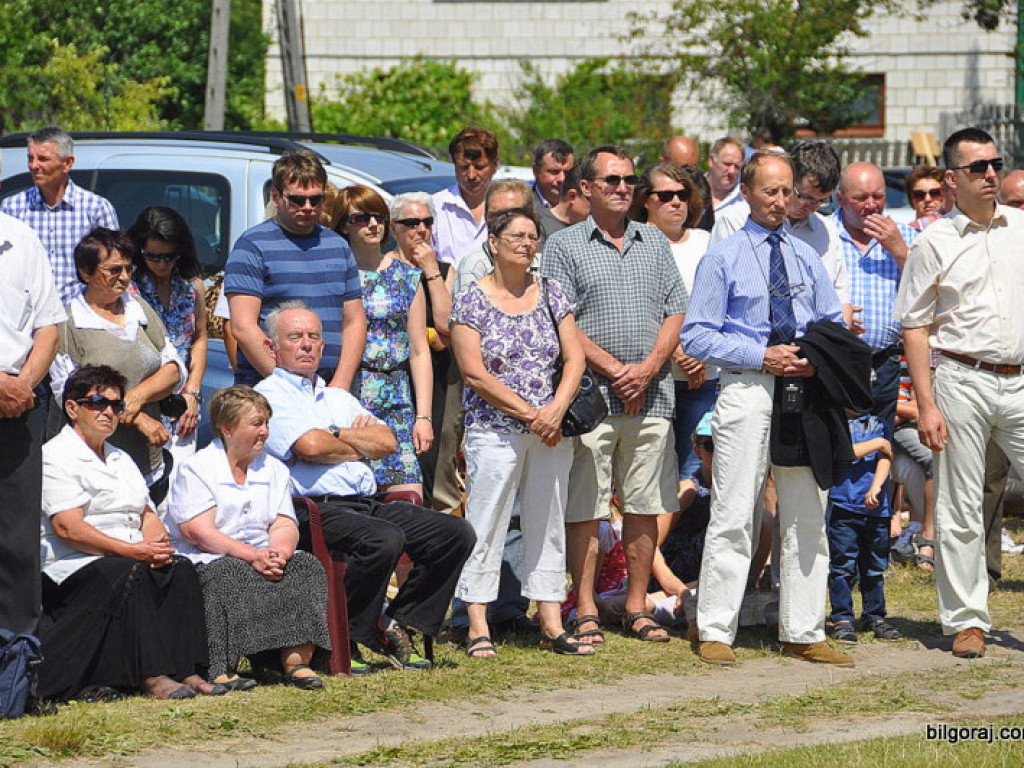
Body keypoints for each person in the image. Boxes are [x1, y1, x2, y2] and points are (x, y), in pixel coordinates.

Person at [681, 151, 854, 668]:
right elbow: (697, 334)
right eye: (770, 192)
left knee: (806, 509)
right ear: (749, 194)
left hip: (802, 393)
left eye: (787, 192)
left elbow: (829, 323)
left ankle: (804, 628)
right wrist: (760, 354)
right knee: (736, 508)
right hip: (747, 388)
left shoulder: (807, 257)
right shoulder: (724, 255)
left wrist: (813, 358)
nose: (780, 201)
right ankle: (715, 627)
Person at [254, 304, 476, 670]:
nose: (306, 345)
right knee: (383, 538)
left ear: (323, 347)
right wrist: (356, 444)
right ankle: (353, 631)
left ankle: (400, 620)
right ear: (272, 347)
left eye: (313, 337)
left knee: (453, 532)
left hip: (365, 502)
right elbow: (309, 447)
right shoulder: (269, 396)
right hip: (311, 509)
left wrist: (337, 435)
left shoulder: (337, 397)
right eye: (295, 337)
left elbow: (387, 441)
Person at [543, 145, 686, 645]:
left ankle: (634, 605)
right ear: (585, 188)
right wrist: (616, 371)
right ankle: (583, 608)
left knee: (646, 505)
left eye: (628, 180)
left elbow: (675, 311)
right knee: (588, 506)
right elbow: (562, 323)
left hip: (652, 396)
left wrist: (646, 371)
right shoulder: (562, 247)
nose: (623, 187)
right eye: (611, 180)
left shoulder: (655, 242)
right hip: (591, 400)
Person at [895, 127, 1024, 659]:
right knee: (961, 504)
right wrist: (926, 404)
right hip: (961, 378)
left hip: (1018, 376)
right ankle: (967, 620)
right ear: (953, 179)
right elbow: (915, 326)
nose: (991, 174)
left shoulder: (1020, 227)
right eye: (978, 168)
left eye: (995, 164)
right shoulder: (933, 242)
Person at [451, 208, 591, 658]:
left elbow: (575, 359)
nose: (527, 244)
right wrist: (531, 414)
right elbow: (473, 374)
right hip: (494, 429)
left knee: (547, 520)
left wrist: (555, 409)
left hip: (550, 430)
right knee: (486, 522)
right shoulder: (471, 299)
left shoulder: (552, 292)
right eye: (516, 236)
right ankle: (476, 623)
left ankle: (551, 620)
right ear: (493, 242)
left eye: (533, 237)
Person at [37, 365, 220, 702]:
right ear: (72, 408)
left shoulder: (120, 457)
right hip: (74, 563)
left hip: (126, 552)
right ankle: (152, 676)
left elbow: (146, 512)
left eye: (116, 405)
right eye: (97, 403)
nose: (108, 412)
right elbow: (69, 528)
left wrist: (156, 543)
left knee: (178, 569)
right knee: (132, 570)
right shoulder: (56, 456)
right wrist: (132, 551)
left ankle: (188, 669)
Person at [168, 386, 331, 691]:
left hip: (260, 554)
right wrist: (251, 556)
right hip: (211, 556)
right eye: (256, 424)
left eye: (267, 423)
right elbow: (198, 531)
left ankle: (296, 663)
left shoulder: (274, 469)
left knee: (305, 566)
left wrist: (278, 553)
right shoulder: (197, 468)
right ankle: (219, 668)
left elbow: (284, 522)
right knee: (227, 572)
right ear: (227, 428)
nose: (265, 432)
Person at [50, 228, 185, 493]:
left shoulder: (138, 308)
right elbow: (71, 397)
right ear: (86, 272)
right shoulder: (69, 326)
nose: (124, 277)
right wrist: (135, 417)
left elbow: (173, 369)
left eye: (128, 268)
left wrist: (136, 398)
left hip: (150, 461)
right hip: (95, 469)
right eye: (113, 270)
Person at [224, 149, 367, 389]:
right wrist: (290, 386)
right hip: (270, 391)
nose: (308, 206)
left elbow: (354, 321)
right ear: (276, 197)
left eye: (316, 199)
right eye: (298, 200)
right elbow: (243, 326)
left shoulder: (338, 246)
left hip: (331, 389)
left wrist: (340, 384)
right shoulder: (251, 246)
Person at [328, 185, 433, 498]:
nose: (373, 224)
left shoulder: (406, 276)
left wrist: (423, 417)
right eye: (361, 218)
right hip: (351, 394)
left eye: (379, 216)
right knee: (353, 496)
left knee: (408, 497)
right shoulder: (335, 276)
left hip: (397, 397)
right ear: (344, 226)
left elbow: (418, 350)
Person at [0, 162, 65, 636]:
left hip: (21, 401)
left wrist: (23, 383)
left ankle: (18, 659)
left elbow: (49, 325)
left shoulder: (21, 238)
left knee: (19, 541)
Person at [629, 162, 713, 480]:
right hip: (651, 380)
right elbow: (635, 309)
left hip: (703, 378)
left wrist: (698, 353)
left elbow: (720, 305)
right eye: (665, 195)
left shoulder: (706, 241)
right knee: (650, 473)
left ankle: (684, 533)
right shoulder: (632, 242)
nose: (676, 202)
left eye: (682, 194)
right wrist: (675, 349)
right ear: (645, 200)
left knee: (694, 471)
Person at [833, 162, 917, 429]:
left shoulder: (906, 236)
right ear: (840, 199)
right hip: (834, 363)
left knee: (880, 443)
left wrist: (899, 251)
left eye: (878, 196)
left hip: (884, 364)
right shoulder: (823, 234)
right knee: (834, 449)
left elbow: (928, 289)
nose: (871, 205)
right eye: (860, 198)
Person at [1, 127, 119, 305]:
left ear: (67, 163)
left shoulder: (96, 209)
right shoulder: (13, 207)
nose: (34, 165)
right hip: (29, 316)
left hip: (82, 316)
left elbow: (114, 266)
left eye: (43, 159)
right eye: (30, 158)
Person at [127, 207, 207, 463]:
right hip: (142, 401)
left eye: (170, 257)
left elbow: (199, 338)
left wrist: (193, 392)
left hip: (182, 406)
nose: (162, 264)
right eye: (153, 257)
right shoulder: (129, 289)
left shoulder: (191, 286)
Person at [826, 411, 903, 644]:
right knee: (842, 567)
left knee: (874, 568)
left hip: (877, 509)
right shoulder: (834, 421)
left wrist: (876, 486)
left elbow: (886, 456)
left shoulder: (877, 423)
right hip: (843, 505)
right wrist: (879, 443)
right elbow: (842, 452)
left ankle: (875, 616)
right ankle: (842, 619)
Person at [433, 127, 500, 268]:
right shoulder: (436, 207)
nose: (471, 175)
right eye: (463, 167)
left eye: (479, 167)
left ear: (495, 164)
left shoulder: (508, 206)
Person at [531, 139, 576, 242]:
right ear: (535, 170)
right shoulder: (524, 207)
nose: (562, 179)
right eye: (554, 172)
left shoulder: (582, 208)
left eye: (568, 172)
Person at [705, 137, 745, 214]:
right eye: (727, 164)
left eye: (737, 167)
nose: (731, 171)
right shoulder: (693, 190)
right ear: (711, 161)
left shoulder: (745, 201)